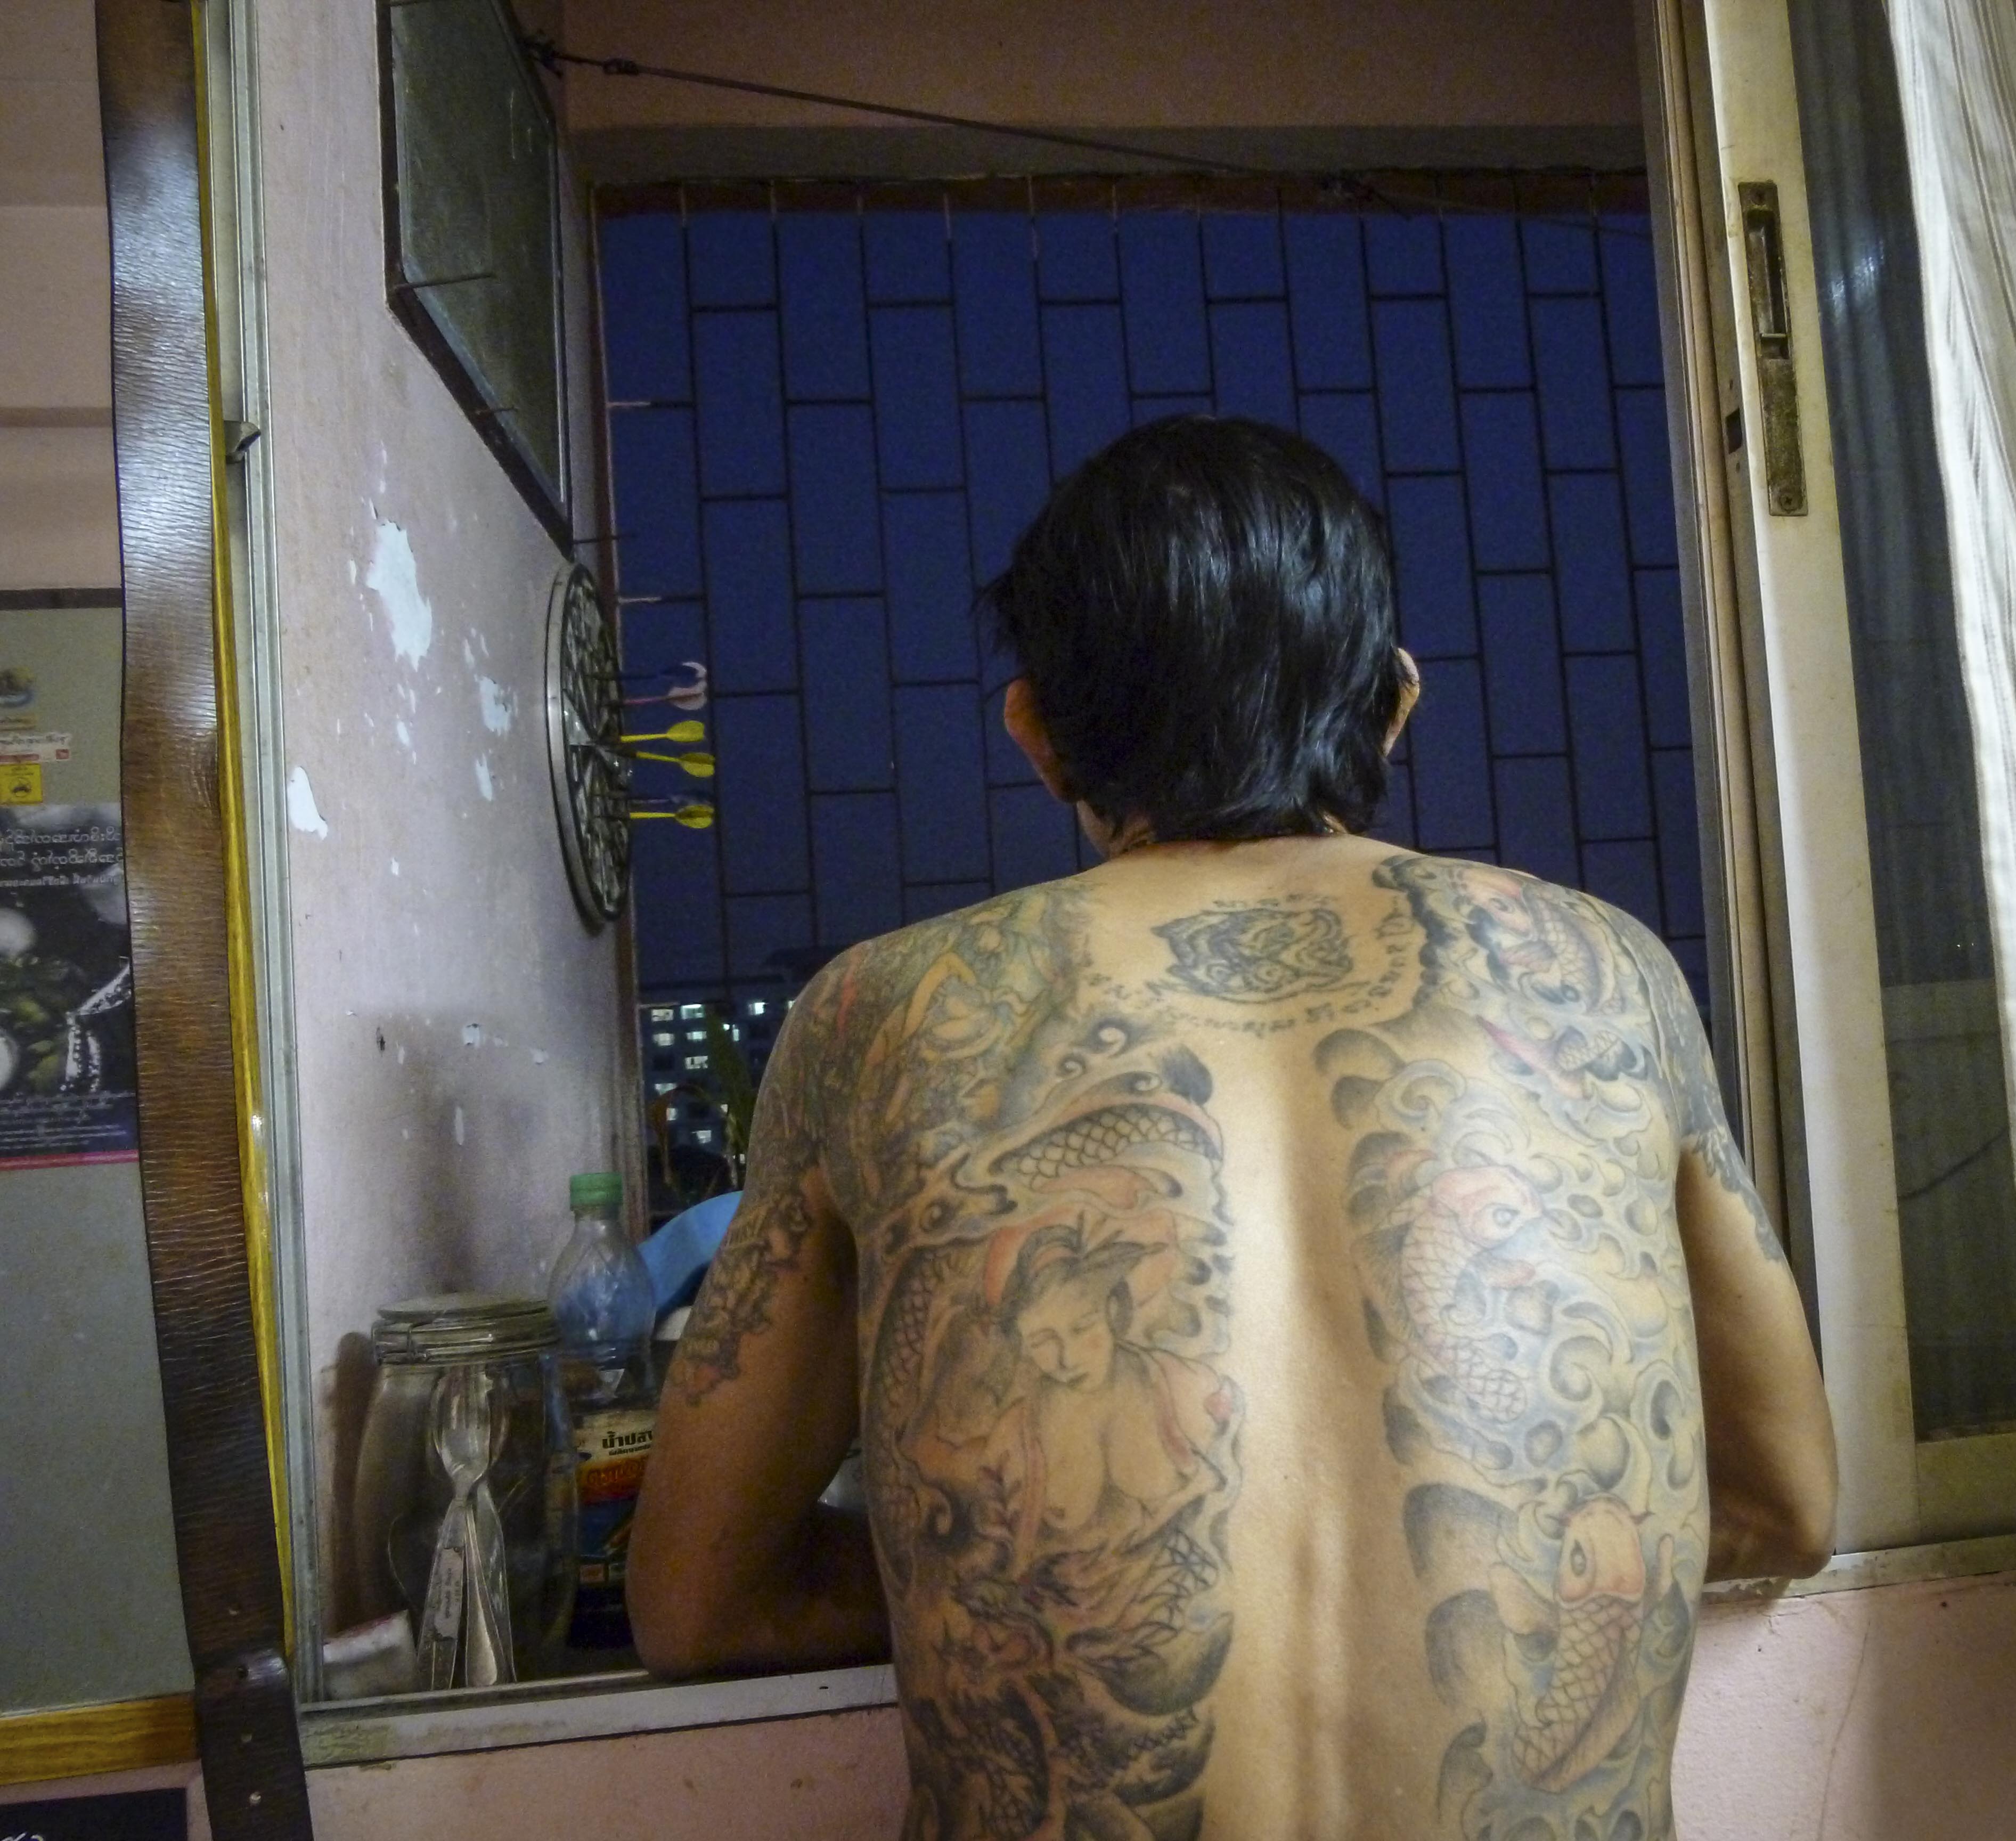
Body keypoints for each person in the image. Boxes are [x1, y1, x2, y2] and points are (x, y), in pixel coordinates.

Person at [629, 416, 1837, 1841]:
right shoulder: (1604, 979)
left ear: (1037, 733)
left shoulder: (878, 1019)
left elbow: (701, 1601)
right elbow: (1782, 1504)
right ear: (1394, 704)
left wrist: (1014, 1585)